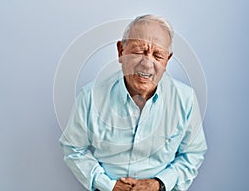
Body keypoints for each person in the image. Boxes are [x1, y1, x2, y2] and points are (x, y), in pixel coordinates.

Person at [59, 14, 207, 191]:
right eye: (138, 52)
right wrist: (108, 185)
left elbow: (193, 152)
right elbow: (73, 148)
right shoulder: (90, 96)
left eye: (158, 55)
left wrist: (159, 184)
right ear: (121, 51)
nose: (146, 64)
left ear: (167, 60)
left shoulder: (185, 99)